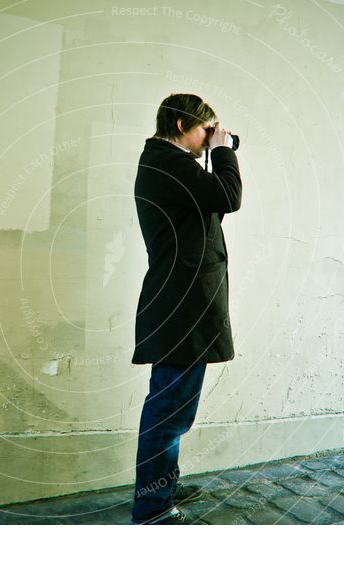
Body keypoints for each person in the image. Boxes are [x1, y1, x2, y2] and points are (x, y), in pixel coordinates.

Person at [130, 94, 242, 524]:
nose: (207, 138)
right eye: (204, 129)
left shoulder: (169, 165)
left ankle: (161, 487)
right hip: (182, 305)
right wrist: (224, 152)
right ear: (181, 124)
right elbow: (228, 197)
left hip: (184, 304)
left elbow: (211, 209)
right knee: (168, 412)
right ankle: (154, 509)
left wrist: (213, 153)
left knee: (173, 409)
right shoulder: (166, 161)